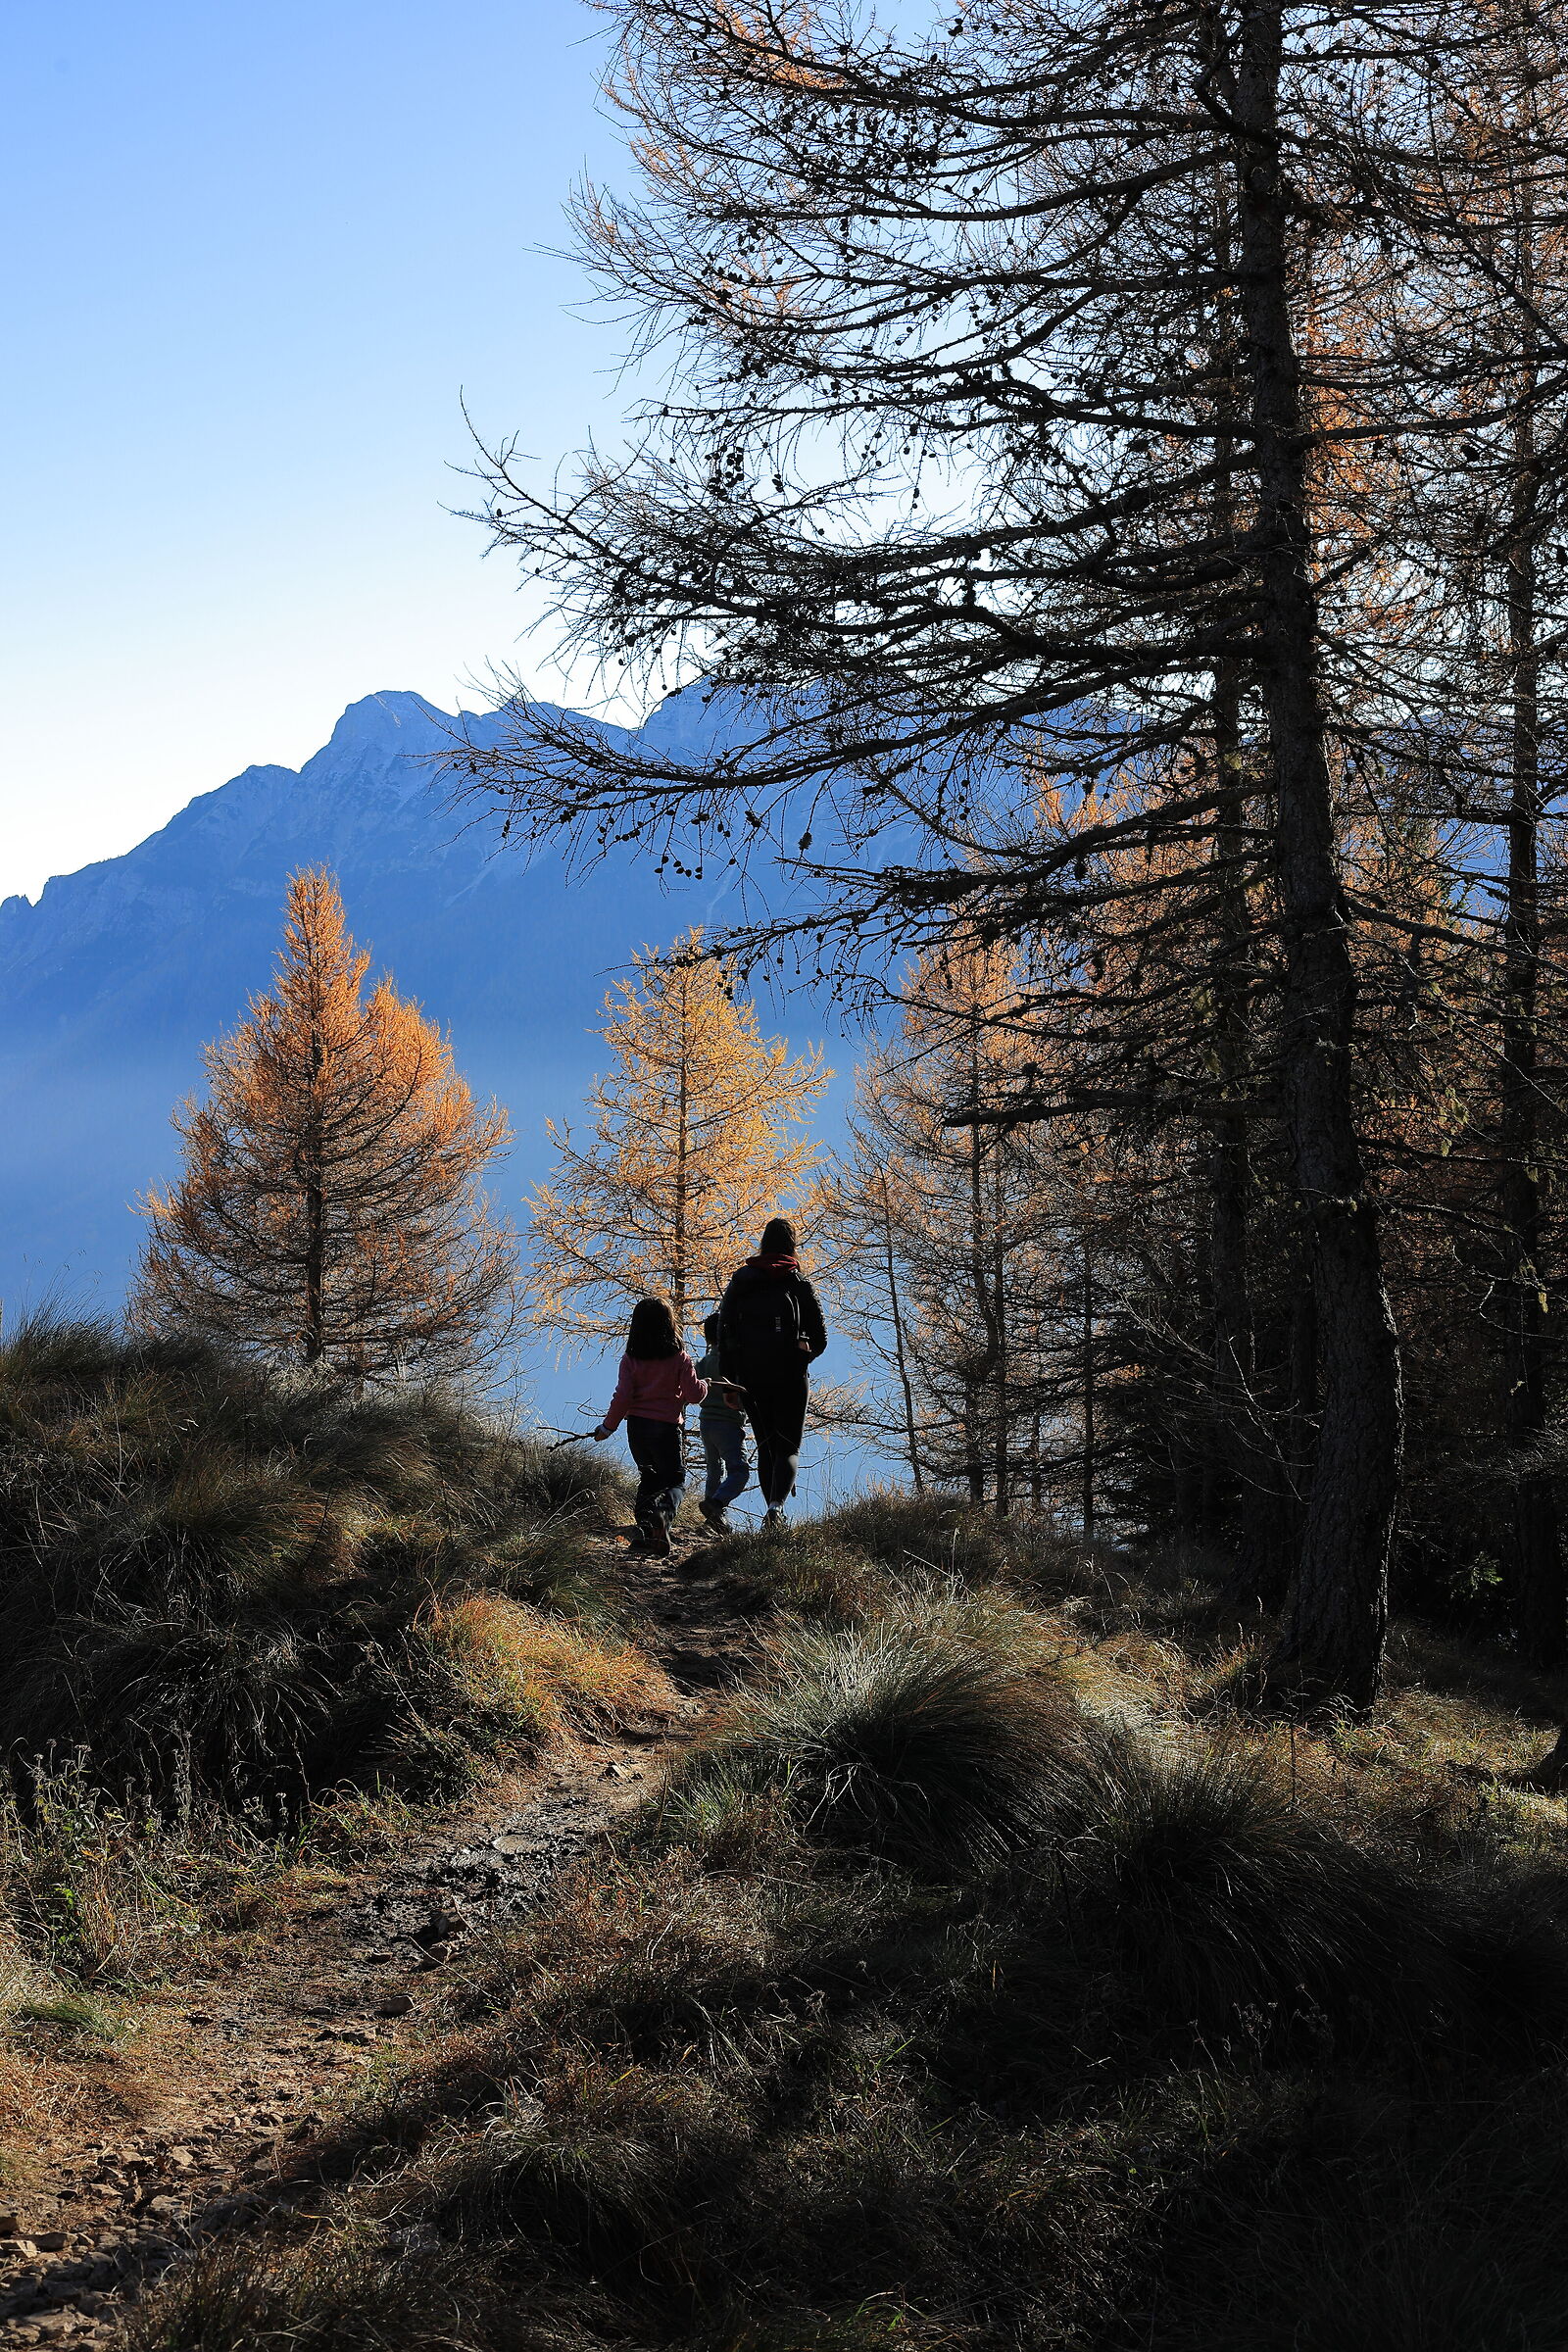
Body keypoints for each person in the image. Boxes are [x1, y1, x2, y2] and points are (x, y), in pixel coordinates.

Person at [717, 1216, 827, 1529]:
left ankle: (771, 1508)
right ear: (791, 1245)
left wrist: (730, 1383)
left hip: (751, 1376)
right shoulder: (797, 1282)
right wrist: (804, 1355)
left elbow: (726, 1334)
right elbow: (821, 1339)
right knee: (788, 1445)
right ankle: (776, 1509)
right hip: (790, 1374)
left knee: (765, 1445)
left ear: (763, 1243)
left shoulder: (741, 1280)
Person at [592, 1297, 708, 1556]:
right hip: (666, 1429)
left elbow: (622, 1397)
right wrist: (705, 1385)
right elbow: (694, 1396)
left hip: (638, 1429)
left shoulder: (630, 1360)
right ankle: (663, 1515)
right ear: (669, 1324)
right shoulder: (680, 1358)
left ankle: (645, 1531)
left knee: (649, 1478)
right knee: (675, 1481)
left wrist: (608, 1428)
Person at [695, 1310, 750, 1533]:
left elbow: (693, 1388)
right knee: (739, 1471)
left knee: (714, 1470)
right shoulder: (735, 1363)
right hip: (728, 1424)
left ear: (708, 1338)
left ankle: (715, 1520)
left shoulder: (703, 1363)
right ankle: (716, 1504)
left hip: (706, 1422)